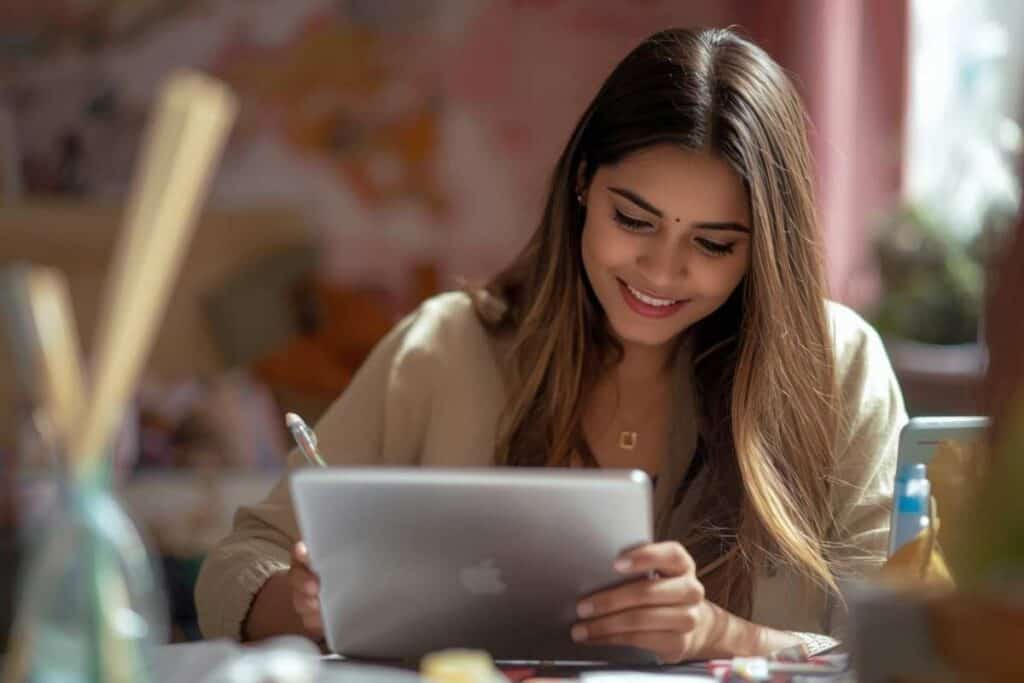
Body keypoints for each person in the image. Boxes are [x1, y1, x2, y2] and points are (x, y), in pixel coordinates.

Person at [195, 27, 906, 663]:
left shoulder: (838, 370)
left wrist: (725, 633)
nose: (661, 271)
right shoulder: (444, 349)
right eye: (633, 219)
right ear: (581, 186)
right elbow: (236, 565)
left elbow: (899, 642)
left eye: (713, 243)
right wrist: (304, 601)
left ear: (766, 249)